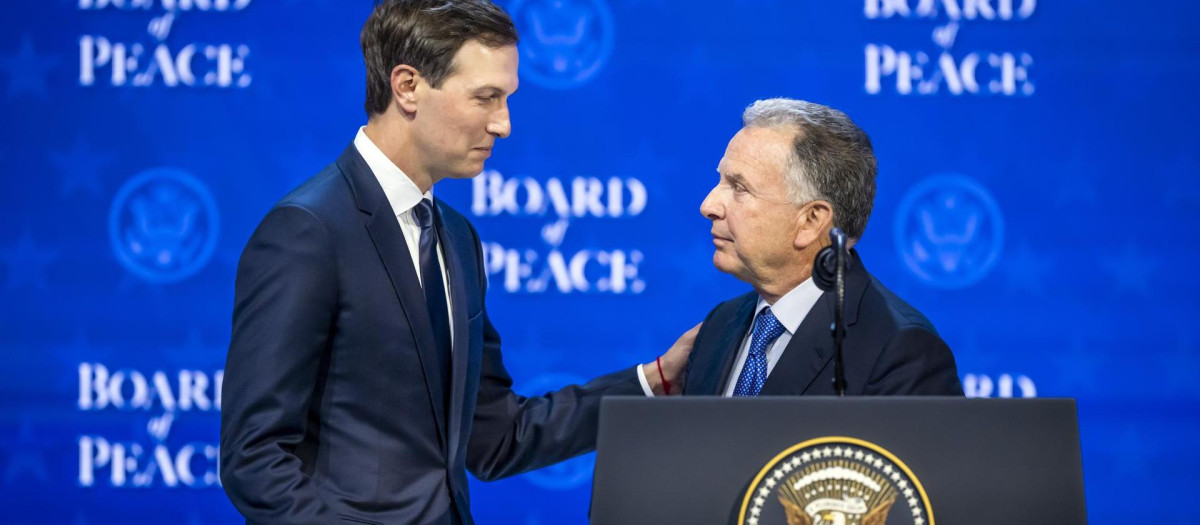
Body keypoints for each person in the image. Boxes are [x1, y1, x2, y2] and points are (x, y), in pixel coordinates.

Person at [219, 1, 693, 523]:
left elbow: (496, 436)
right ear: (407, 87)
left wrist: (655, 380)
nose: (504, 124)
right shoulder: (308, 231)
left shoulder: (457, 238)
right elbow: (255, 458)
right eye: (486, 98)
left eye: (506, 99)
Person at [679, 98, 962, 397]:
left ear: (811, 221)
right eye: (721, 180)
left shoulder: (899, 351)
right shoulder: (719, 325)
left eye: (739, 187)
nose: (708, 205)